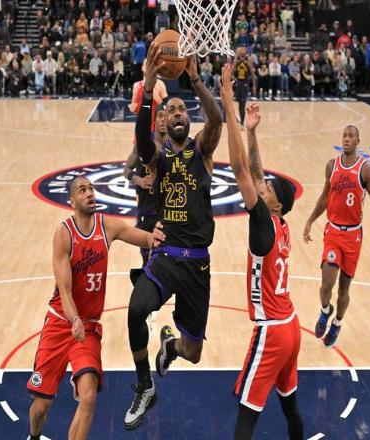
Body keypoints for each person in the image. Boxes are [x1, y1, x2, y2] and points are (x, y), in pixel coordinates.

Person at [124, 43, 222, 430]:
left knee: (193, 352)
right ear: (164, 119)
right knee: (136, 309)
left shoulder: (202, 151)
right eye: (171, 110)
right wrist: (149, 90)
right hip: (166, 257)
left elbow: (217, 120)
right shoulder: (159, 157)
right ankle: (145, 386)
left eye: (182, 110)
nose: (177, 113)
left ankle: (172, 347)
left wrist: (195, 80)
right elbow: (142, 144)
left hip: (197, 263)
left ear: (189, 118)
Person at [26, 176, 165, 440]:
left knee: (88, 397)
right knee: (41, 406)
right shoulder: (64, 234)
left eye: (91, 188)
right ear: (72, 201)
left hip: (87, 327)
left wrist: (157, 236)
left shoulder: (107, 226)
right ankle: (34, 436)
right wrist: (74, 319)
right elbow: (64, 290)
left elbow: (146, 239)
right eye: (82, 190)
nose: (89, 193)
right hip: (60, 324)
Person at [219, 64, 303, 440]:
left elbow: (241, 170)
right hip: (292, 325)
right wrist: (252, 132)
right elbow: (254, 172)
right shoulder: (279, 224)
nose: (261, 185)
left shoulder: (263, 223)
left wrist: (229, 105)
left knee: (247, 412)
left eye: (266, 188)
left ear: (276, 204)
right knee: (290, 406)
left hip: (272, 331)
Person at [303, 126, 370, 347]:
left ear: (358, 141)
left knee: (344, 289)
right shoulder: (331, 166)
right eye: (344, 135)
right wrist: (310, 220)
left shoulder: (366, 170)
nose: (347, 139)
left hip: (353, 236)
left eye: (351, 136)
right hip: (333, 232)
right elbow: (325, 197)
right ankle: (325, 311)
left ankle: (337, 323)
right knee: (326, 284)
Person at [123, 104, 168, 266]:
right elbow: (126, 170)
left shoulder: (176, 145)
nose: (163, 120)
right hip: (146, 208)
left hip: (167, 210)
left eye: (166, 116)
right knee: (146, 257)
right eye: (160, 116)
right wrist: (139, 181)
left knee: (165, 256)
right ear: (154, 121)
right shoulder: (143, 143)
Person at [129, 58, 168, 133]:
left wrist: (158, 99)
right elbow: (134, 106)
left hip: (157, 128)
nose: (148, 66)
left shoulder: (160, 84)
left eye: (151, 65)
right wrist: (133, 108)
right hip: (142, 127)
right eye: (146, 64)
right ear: (142, 68)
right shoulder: (136, 85)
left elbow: (167, 107)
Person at [232, 46, 257, 127]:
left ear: (246, 51)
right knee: (239, 104)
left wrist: (254, 85)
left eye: (244, 49)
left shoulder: (248, 60)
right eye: (241, 49)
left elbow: (252, 74)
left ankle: (242, 122)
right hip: (238, 84)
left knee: (242, 104)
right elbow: (232, 72)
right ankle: (240, 120)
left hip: (245, 84)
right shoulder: (236, 60)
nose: (242, 50)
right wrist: (235, 60)